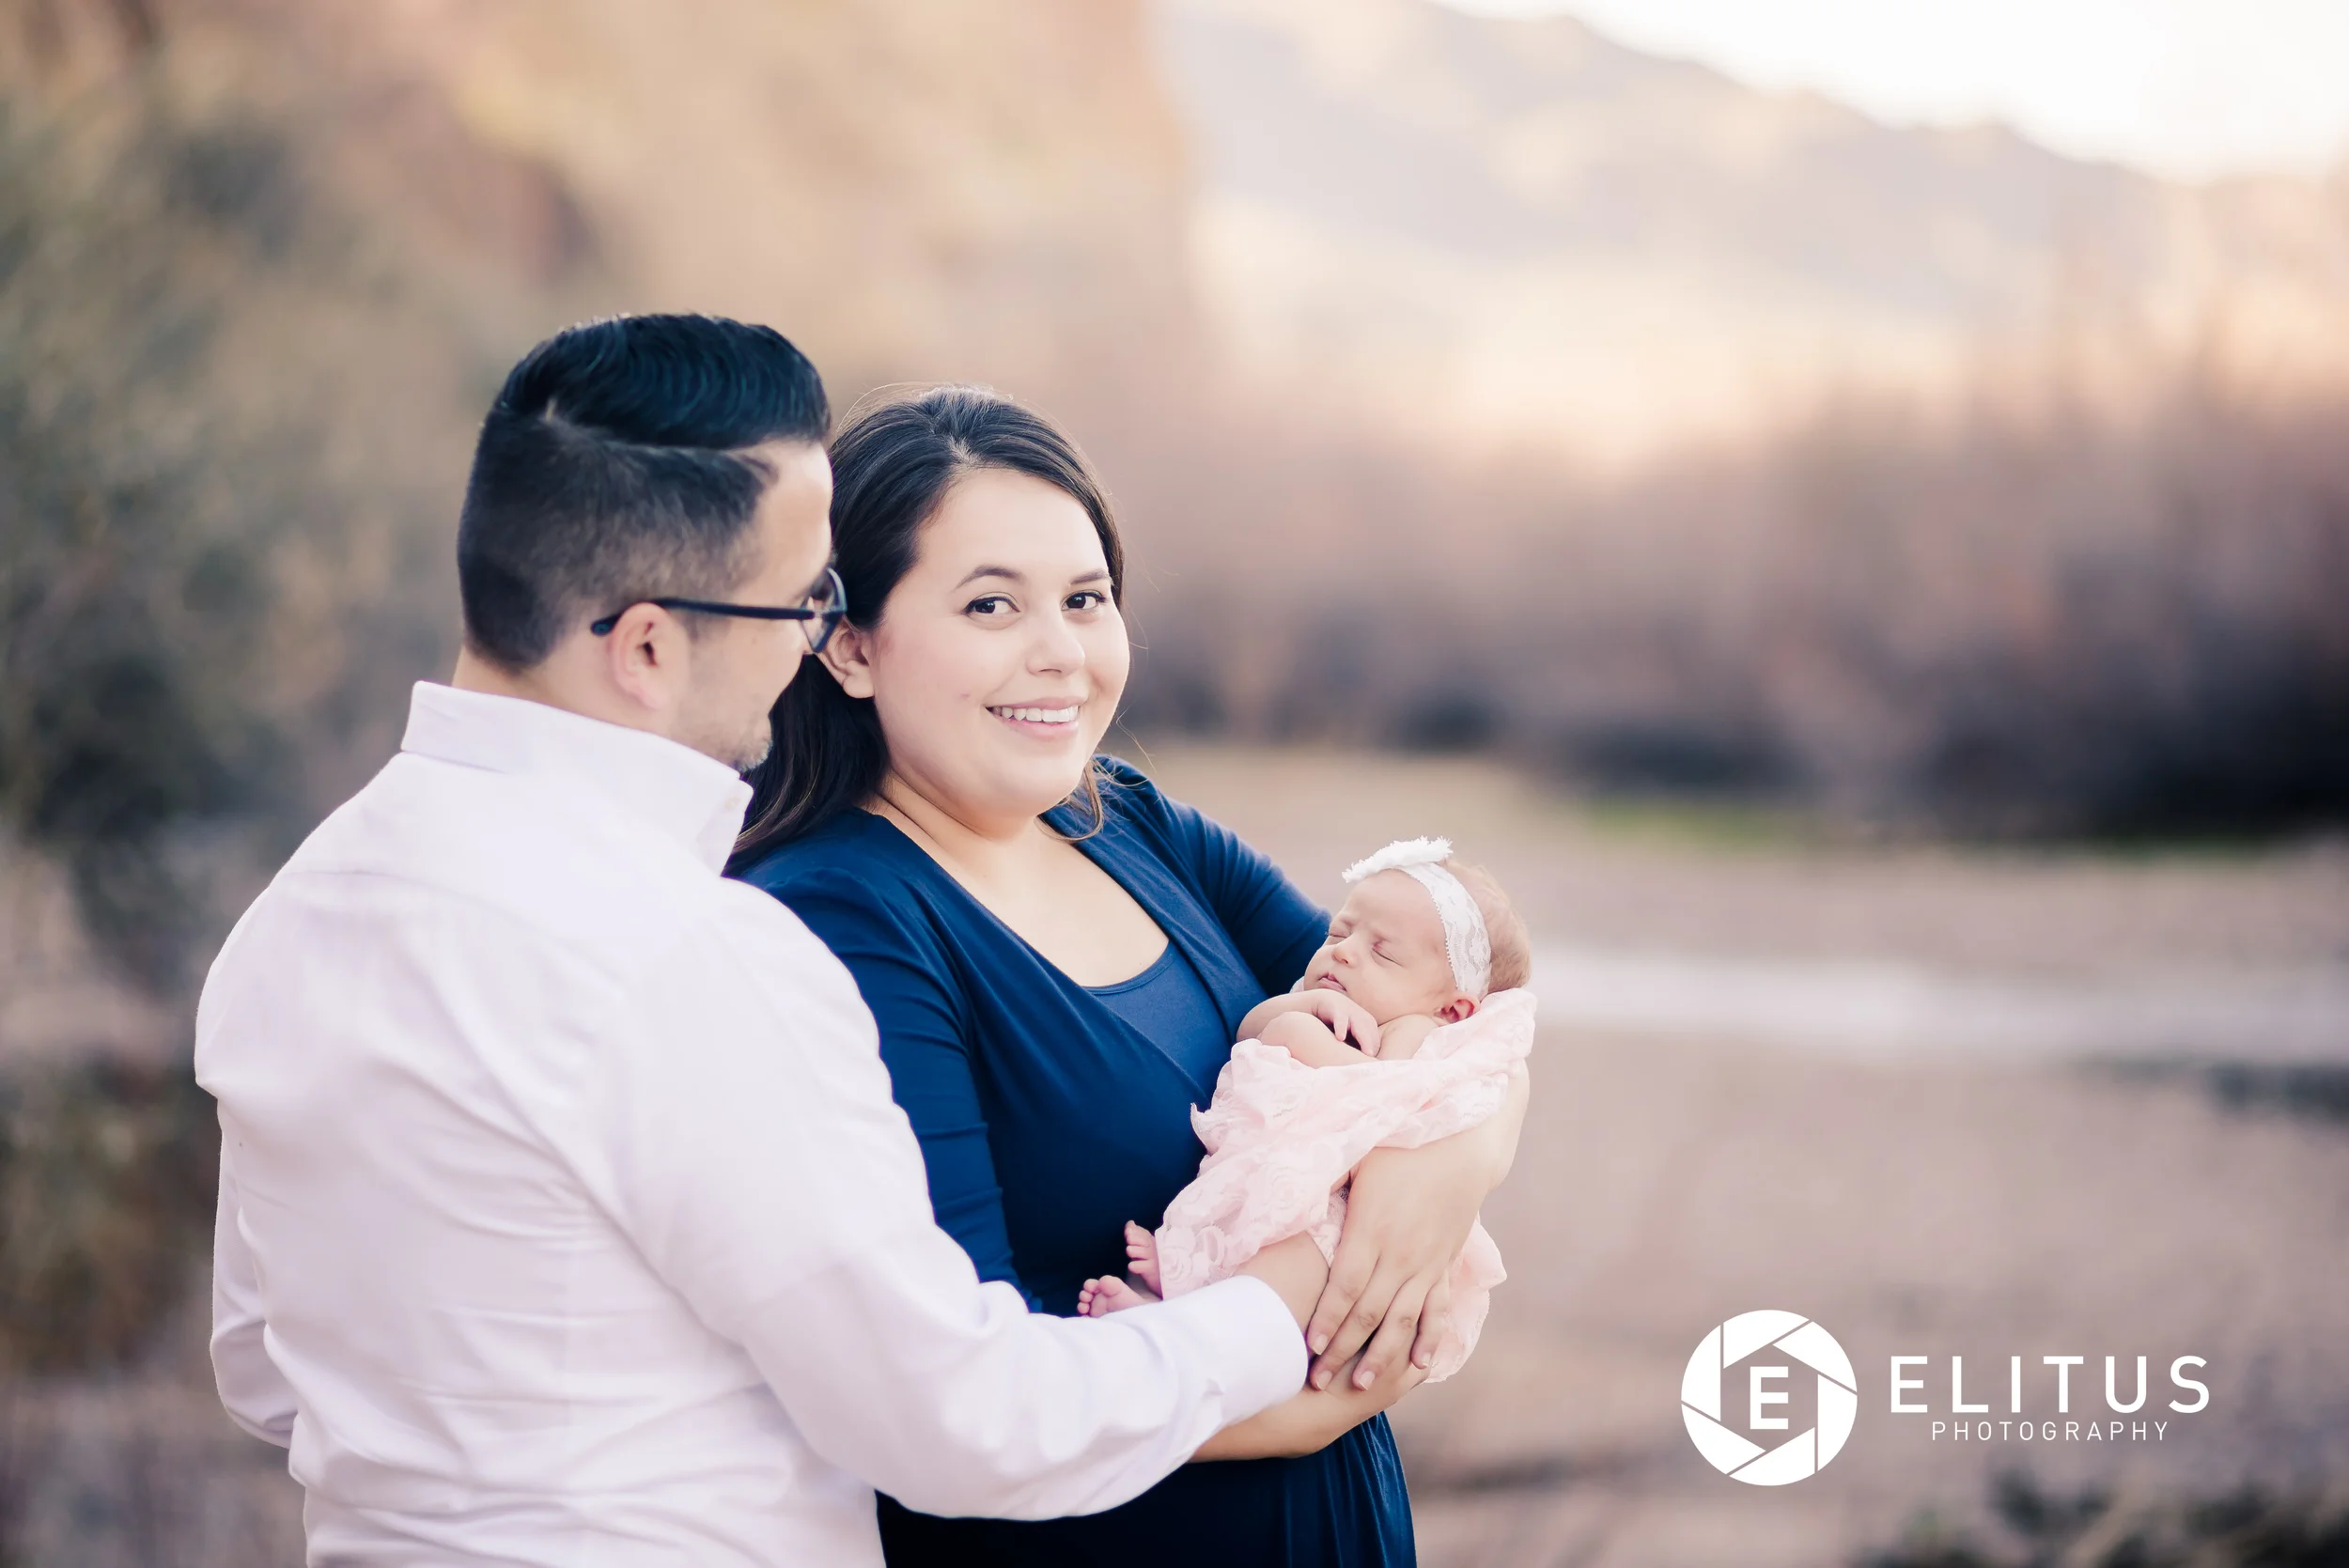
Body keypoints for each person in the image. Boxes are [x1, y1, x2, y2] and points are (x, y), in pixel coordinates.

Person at [194, 315, 1327, 1568]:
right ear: (647, 645)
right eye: (803, 601)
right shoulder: (694, 954)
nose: (813, 642)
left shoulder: (296, 915)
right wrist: (1271, 1310)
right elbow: (969, 1421)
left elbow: (267, 1373)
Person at [732, 387, 1532, 1566]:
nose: (1060, 650)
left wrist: (1448, 1159)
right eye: (991, 603)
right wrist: (1323, 1394)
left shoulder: (1128, 823)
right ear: (850, 644)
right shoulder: (836, 919)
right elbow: (964, 1396)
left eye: (1085, 597)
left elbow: (1465, 1009)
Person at [1079, 837, 1537, 1388]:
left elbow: (1383, 1094)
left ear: (1452, 1009)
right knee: (1220, 1220)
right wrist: (1301, 1007)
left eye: (1384, 953)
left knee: (1286, 1272)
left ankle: (1177, 1335)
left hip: (1335, 1207)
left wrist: (1299, 1034)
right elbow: (1251, 1030)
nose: (1343, 952)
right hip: (1269, 1169)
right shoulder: (1326, 997)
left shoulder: (1416, 1030)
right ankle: (1181, 1279)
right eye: (1339, 933)